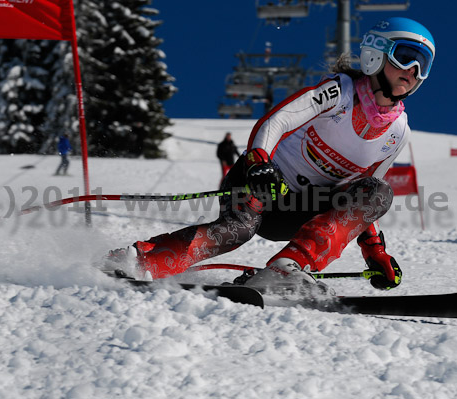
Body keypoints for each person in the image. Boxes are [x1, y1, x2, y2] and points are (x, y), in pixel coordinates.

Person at [106, 17, 435, 293]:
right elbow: (278, 120)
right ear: (376, 53)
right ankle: (137, 259)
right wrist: (259, 162)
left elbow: (365, 197)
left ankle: (286, 268)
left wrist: (374, 252)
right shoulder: (340, 91)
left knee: (379, 191)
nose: (414, 70)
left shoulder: (398, 132)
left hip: (298, 209)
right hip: (262, 182)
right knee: (237, 230)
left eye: (424, 64)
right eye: (406, 56)